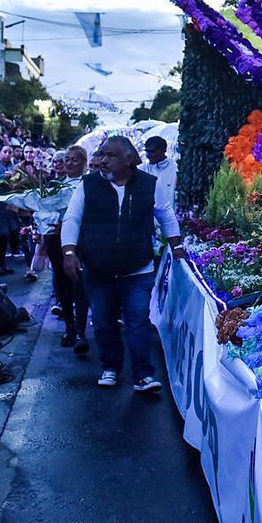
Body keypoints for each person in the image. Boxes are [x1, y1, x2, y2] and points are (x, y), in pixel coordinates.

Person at [61, 136, 184, 392]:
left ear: (129, 159)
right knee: (104, 321)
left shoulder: (151, 184)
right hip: (98, 268)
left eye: (110, 155)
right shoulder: (88, 184)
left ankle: (143, 374)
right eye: (102, 155)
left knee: (137, 321)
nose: (103, 160)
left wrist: (177, 247)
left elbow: (166, 216)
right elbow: (72, 218)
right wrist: (69, 251)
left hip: (138, 268)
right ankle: (110, 367)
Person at [45, 145, 91, 352]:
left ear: (84, 162)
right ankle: (69, 327)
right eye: (67, 159)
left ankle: (81, 331)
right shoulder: (55, 185)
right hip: (55, 240)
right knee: (62, 283)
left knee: (79, 284)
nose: (69, 163)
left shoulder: (90, 184)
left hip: (80, 241)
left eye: (74, 160)